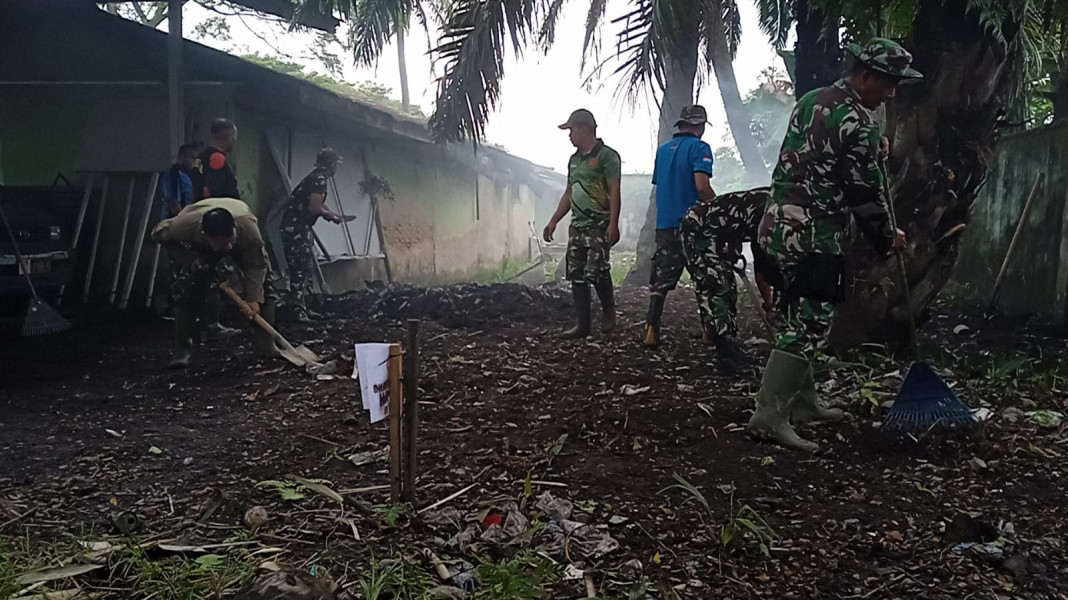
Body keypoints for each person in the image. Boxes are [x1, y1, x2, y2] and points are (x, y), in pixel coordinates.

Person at [746, 38, 919, 452]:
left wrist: (870, 149)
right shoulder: (859, 123)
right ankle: (769, 418)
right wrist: (885, 235)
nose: (891, 93)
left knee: (798, 314)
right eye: (888, 83)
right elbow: (864, 192)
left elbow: (820, 154)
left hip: (777, 224)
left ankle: (803, 404)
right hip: (812, 232)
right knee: (811, 322)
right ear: (864, 75)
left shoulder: (814, 100)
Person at [151, 198, 279, 368]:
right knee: (184, 290)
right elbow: (159, 234)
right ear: (205, 236)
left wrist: (254, 299)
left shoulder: (249, 231)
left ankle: (266, 344)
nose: (228, 247)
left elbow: (255, 265)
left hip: (242, 235)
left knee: (265, 287)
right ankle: (183, 351)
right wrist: (189, 259)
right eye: (222, 244)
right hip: (200, 247)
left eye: (230, 241)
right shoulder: (185, 226)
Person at [642, 105, 717, 348]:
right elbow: (702, 186)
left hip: (664, 224)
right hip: (692, 223)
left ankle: (651, 331)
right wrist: (718, 211)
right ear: (701, 126)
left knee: (660, 281)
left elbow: (660, 184)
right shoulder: (700, 148)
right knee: (704, 277)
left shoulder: (662, 151)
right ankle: (709, 331)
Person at [680, 187, 777, 376]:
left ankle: (731, 347)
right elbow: (763, 268)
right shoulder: (772, 212)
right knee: (717, 287)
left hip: (716, 231)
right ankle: (725, 356)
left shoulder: (776, 206)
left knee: (729, 288)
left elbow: (734, 222)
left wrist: (732, 246)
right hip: (698, 228)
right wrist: (770, 306)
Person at [543, 109, 622, 339]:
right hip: (577, 226)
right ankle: (583, 325)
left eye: (572, 130)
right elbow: (569, 192)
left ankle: (609, 309)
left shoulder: (607, 156)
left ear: (585, 129)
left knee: (596, 271)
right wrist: (554, 220)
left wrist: (613, 223)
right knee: (576, 274)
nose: (569, 136)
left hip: (599, 224)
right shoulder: (574, 160)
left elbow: (614, 189)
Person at [279, 148, 346, 323]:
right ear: (331, 165)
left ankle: (304, 307)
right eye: (336, 165)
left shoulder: (315, 177)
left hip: (297, 226)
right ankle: (297, 310)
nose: (336, 169)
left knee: (305, 266)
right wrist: (331, 217)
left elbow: (317, 205)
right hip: (296, 228)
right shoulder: (319, 180)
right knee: (300, 268)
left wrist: (333, 213)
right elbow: (314, 208)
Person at [191, 118, 240, 201]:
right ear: (225, 137)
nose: (234, 142)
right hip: (218, 208)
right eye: (233, 138)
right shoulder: (217, 158)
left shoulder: (199, 158)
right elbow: (212, 190)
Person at [160, 144, 198, 219]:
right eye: (192, 158)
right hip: (174, 220)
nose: (194, 162)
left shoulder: (187, 175)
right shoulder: (174, 174)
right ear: (181, 157)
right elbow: (174, 204)